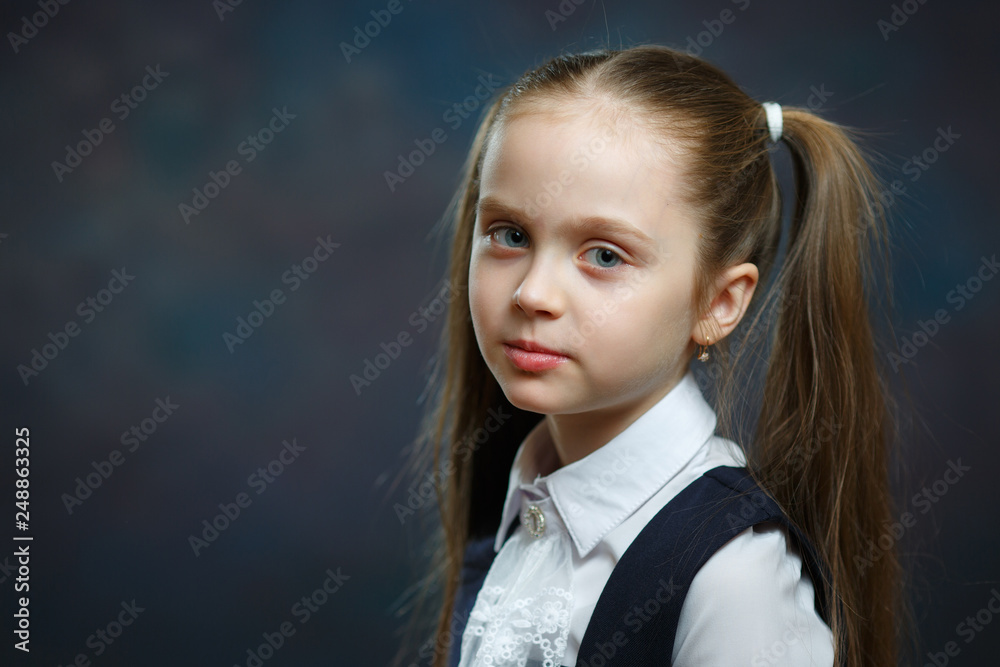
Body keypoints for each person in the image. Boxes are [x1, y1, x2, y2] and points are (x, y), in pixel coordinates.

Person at [403, 44, 902, 667]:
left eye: (605, 255)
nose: (533, 293)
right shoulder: (516, 505)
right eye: (510, 235)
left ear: (718, 303)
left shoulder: (731, 577)